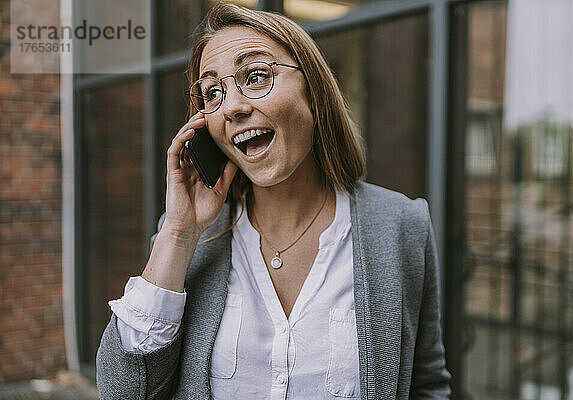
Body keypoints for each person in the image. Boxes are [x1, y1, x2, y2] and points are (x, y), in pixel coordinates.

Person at [96, 3, 451, 399]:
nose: (232, 106)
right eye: (212, 92)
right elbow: (122, 392)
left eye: (256, 76)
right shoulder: (187, 238)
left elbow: (427, 384)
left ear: (313, 92)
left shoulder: (402, 224)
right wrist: (179, 233)